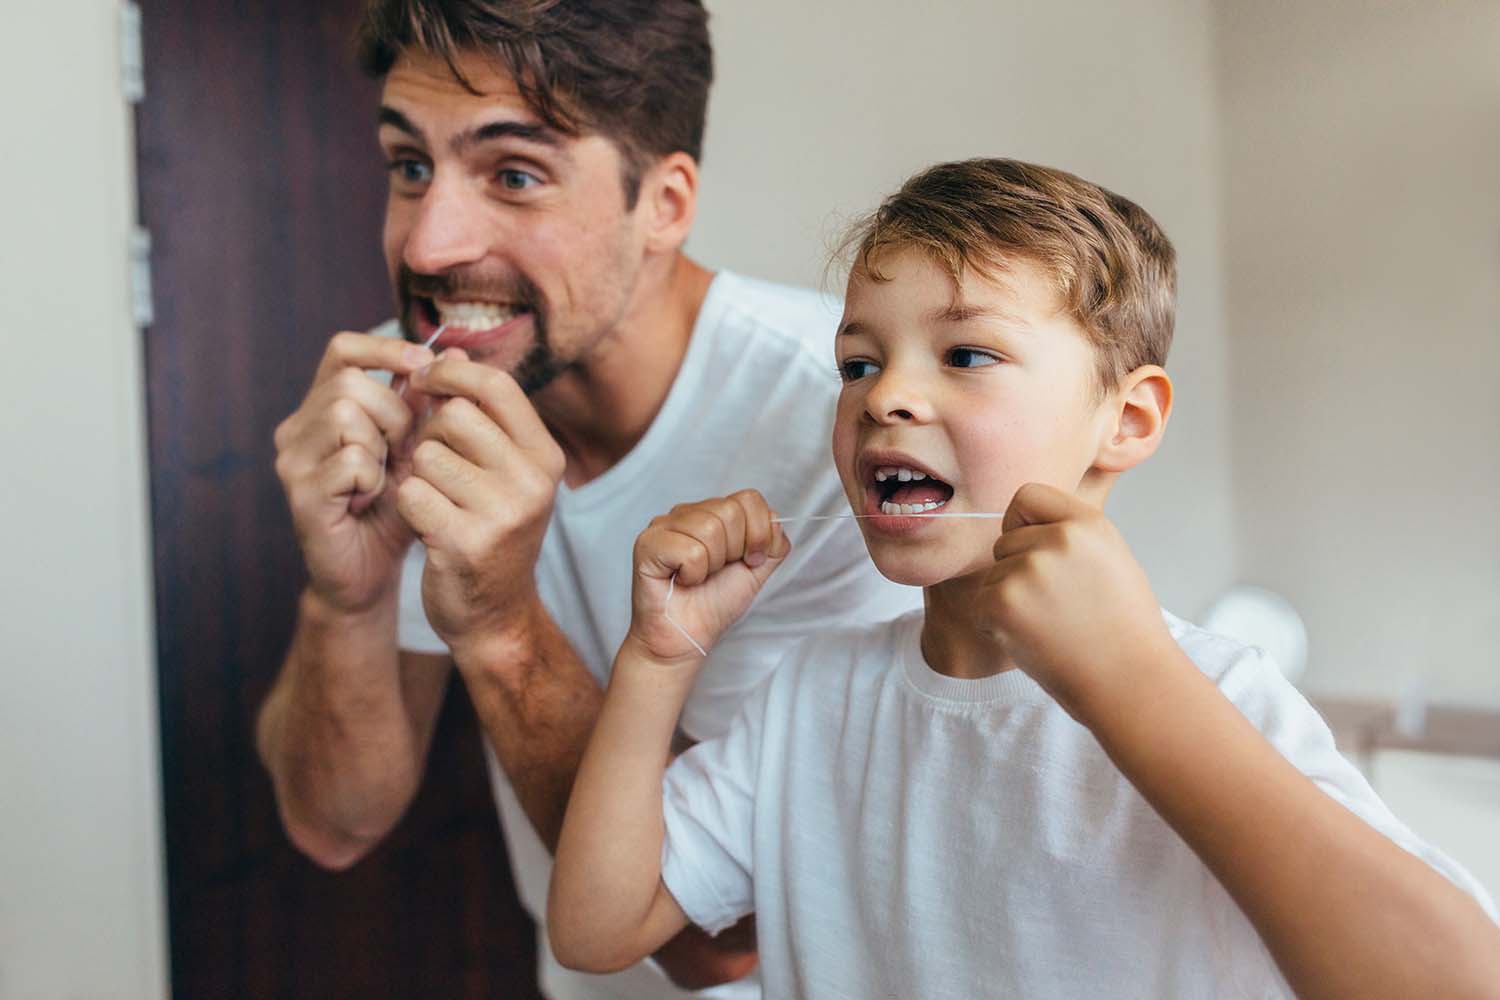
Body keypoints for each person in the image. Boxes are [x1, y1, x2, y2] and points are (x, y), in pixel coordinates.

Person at [547, 158, 1500, 998]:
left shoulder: (1213, 692)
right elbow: (598, 929)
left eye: (967, 354)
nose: (885, 395)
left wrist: (1130, 683)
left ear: (1126, 421)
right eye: (856, 363)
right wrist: (659, 658)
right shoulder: (807, 698)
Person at [255, 2, 918, 997]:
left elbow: (721, 939)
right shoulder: (413, 405)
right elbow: (333, 823)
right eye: (409, 166)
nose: (429, 247)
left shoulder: (850, 431)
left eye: (514, 173)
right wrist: (344, 594)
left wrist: (501, 626)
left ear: (665, 202)